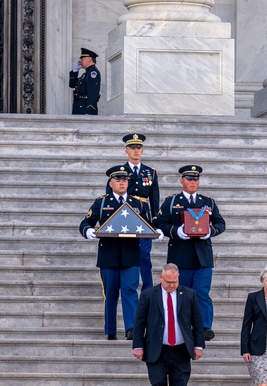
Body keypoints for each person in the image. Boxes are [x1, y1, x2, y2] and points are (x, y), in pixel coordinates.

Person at [80, 165, 159, 340]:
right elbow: (86, 222)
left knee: (130, 291)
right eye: (118, 180)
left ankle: (132, 329)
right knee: (111, 294)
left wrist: (157, 231)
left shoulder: (138, 204)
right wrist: (88, 231)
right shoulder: (101, 202)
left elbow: (148, 225)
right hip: (108, 255)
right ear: (111, 183)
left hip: (131, 254)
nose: (122, 183)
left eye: (125, 180)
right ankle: (111, 330)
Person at [132, 263, 205, 386]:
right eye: (168, 282)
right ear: (161, 278)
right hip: (157, 349)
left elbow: (197, 322)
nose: (172, 285)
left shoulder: (189, 295)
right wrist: (137, 345)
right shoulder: (149, 295)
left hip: (180, 349)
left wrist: (199, 346)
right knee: (157, 385)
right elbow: (139, 322)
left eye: (175, 281)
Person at [155, 165, 226, 341]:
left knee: (202, 292)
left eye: (195, 179)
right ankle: (181, 325)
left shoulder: (208, 201)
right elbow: (159, 223)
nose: (193, 182)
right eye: (189, 179)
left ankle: (204, 327)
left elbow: (220, 223)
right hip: (180, 255)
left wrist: (210, 231)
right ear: (182, 181)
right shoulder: (171, 202)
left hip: (203, 256)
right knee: (181, 293)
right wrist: (176, 231)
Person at [105, 133, 161, 290]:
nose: (136, 151)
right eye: (132, 148)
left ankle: (147, 291)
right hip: (124, 216)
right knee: (126, 253)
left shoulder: (151, 172)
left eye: (138, 148)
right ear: (126, 150)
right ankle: (127, 285)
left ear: (142, 151)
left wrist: (155, 223)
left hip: (143, 217)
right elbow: (109, 197)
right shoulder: (118, 172)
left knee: (144, 255)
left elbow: (154, 200)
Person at [69, 47, 101, 115]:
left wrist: (90, 112)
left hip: (84, 109)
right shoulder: (86, 74)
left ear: (89, 59)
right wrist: (75, 71)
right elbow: (72, 85)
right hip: (79, 108)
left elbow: (93, 93)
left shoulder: (93, 73)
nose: (80, 60)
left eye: (82, 58)